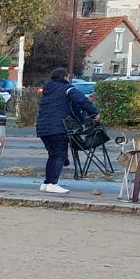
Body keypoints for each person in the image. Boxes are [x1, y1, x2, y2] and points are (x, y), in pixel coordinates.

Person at [34, 67, 98, 195]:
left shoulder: (47, 90)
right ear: (65, 77)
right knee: (60, 154)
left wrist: (81, 119)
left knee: (53, 155)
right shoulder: (68, 89)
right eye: (68, 77)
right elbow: (81, 101)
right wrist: (94, 113)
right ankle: (53, 183)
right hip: (57, 128)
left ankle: (46, 183)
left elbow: (71, 107)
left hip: (42, 127)